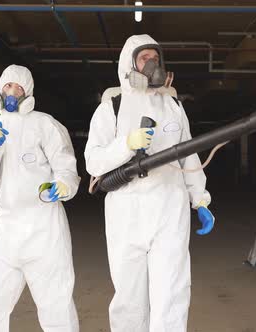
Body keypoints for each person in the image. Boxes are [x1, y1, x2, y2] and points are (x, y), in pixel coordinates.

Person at [84, 34, 214, 332]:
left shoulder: (173, 107)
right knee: (129, 297)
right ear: (129, 63)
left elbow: (189, 157)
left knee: (172, 292)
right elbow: (94, 161)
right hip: (125, 210)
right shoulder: (111, 108)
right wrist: (126, 145)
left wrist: (201, 199)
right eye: (144, 58)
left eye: (155, 58)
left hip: (169, 208)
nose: (151, 64)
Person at [0, 64, 81, 332]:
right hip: (8, 227)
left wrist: (64, 185)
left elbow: (66, 167)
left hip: (45, 228)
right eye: (7, 86)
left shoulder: (45, 124)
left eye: (18, 88)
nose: (12, 92)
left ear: (27, 93)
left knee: (56, 301)